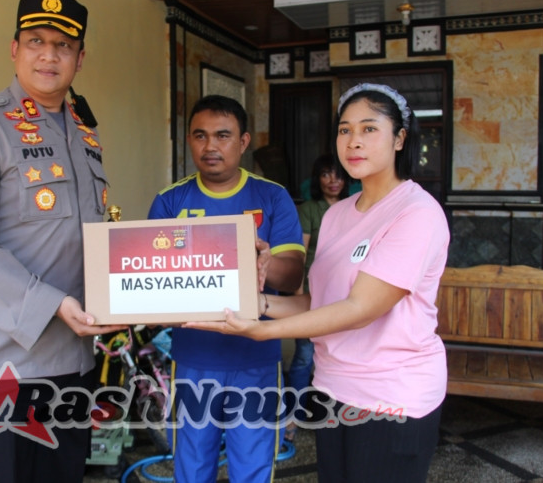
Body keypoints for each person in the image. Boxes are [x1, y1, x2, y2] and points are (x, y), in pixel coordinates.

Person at [188, 84, 450, 483]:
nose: (353, 142)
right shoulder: (338, 214)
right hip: (333, 387)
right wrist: (255, 302)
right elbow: (320, 301)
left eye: (368, 129)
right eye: (344, 131)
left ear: (399, 138)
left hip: (391, 395)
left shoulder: (416, 213)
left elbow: (358, 309)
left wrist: (262, 331)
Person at [0, 0, 123, 483]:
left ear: (79, 59)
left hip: (72, 360)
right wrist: (52, 304)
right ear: (14, 49)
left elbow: (90, 237)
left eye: (63, 45)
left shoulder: (84, 133)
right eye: (36, 41)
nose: (49, 55)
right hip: (0, 365)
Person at [147, 95, 305, 483]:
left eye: (223, 135)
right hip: (193, 356)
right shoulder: (170, 202)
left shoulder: (272, 197)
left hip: (257, 354)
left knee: (251, 466)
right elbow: (151, 281)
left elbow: (292, 276)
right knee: (192, 464)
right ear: (189, 140)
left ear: (244, 141)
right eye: (200, 136)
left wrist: (262, 265)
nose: (211, 146)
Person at [284, 153, 347, 442]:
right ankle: (294, 416)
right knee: (304, 358)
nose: (332, 180)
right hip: (312, 293)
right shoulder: (309, 209)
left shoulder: (354, 208)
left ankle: (331, 415)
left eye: (337, 174)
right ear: (316, 179)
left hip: (345, 296)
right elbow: (300, 253)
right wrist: (298, 295)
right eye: (325, 174)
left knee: (339, 358)